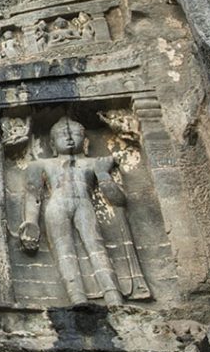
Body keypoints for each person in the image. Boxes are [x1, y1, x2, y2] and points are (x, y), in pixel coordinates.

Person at [18, 116, 128, 305]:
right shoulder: (41, 165)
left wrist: (103, 173)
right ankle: (77, 298)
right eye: (62, 135)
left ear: (85, 141)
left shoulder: (95, 163)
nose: (69, 138)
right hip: (57, 206)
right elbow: (33, 195)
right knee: (63, 250)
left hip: (84, 204)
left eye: (75, 134)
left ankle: (113, 295)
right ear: (52, 143)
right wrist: (31, 222)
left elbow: (118, 200)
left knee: (96, 246)